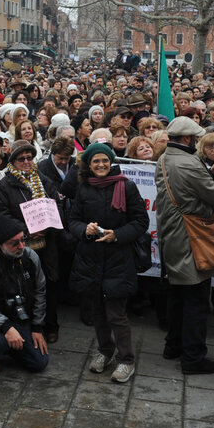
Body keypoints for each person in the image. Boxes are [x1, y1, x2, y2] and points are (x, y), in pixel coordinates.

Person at [155, 116, 214, 375]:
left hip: (171, 236)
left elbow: (186, 188)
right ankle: (193, 358)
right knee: (196, 302)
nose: (198, 141)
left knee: (177, 297)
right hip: (190, 239)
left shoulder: (165, 158)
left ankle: (172, 346)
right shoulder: (189, 162)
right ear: (187, 139)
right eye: (196, 138)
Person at [67, 143, 148, 383]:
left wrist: (118, 234)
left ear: (111, 162)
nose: (101, 165)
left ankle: (126, 360)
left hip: (118, 260)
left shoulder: (127, 186)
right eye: (96, 162)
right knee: (98, 312)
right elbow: (72, 221)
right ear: (89, 165)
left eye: (104, 161)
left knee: (117, 314)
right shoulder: (83, 188)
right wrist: (85, 228)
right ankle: (105, 350)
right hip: (91, 259)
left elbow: (140, 221)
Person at [0, 139, 62, 342]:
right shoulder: (5, 184)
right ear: (12, 161)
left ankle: (50, 325)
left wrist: (47, 225)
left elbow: (56, 205)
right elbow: (2, 215)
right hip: (21, 243)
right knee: (24, 285)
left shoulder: (43, 180)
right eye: (21, 158)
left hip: (46, 242)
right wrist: (27, 230)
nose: (26, 161)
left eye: (29, 158)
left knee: (48, 284)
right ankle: (26, 326)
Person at [0, 214, 50, 375]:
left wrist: (36, 327)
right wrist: (6, 327)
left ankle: (13, 346)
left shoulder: (30, 257)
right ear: (1, 244)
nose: (22, 246)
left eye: (23, 239)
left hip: (19, 315)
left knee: (39, 362)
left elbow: (40, 291)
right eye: (15, 243)